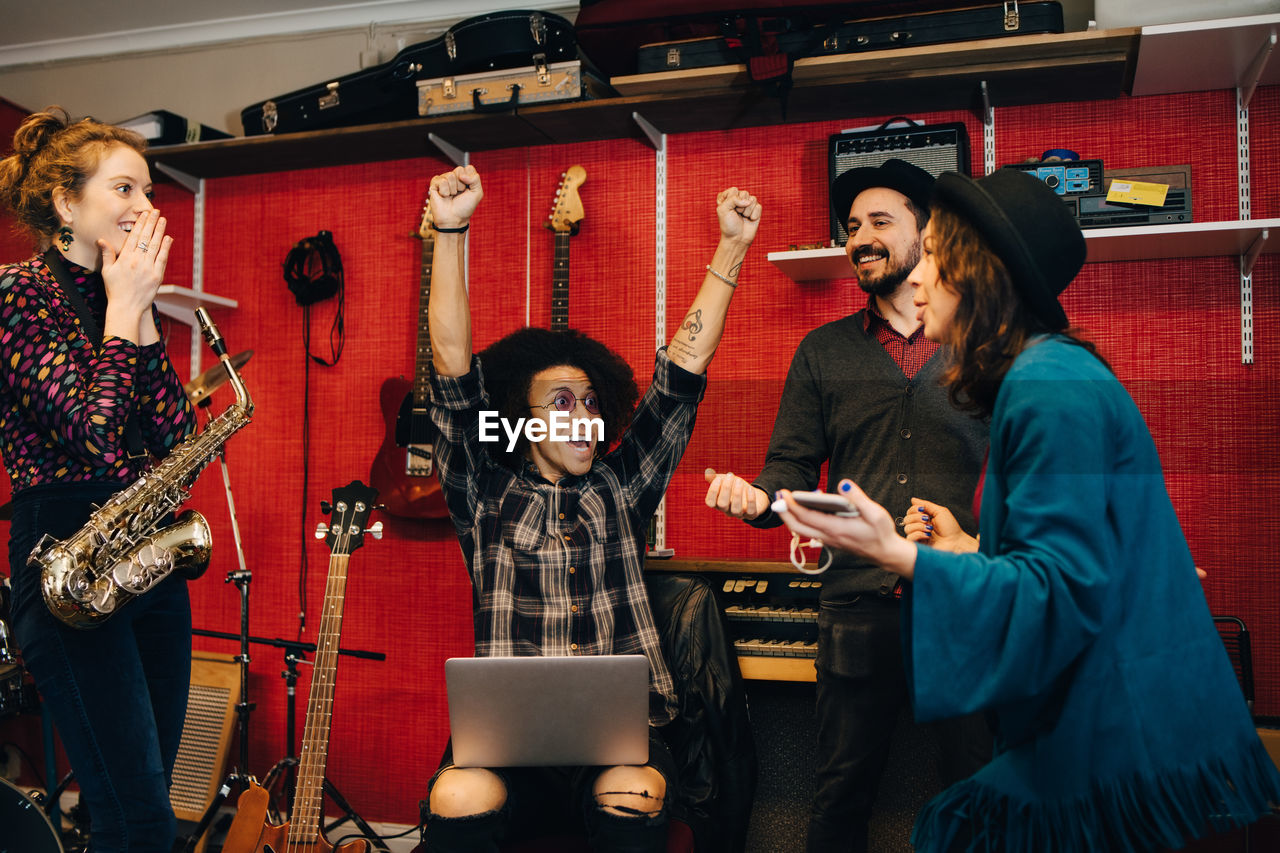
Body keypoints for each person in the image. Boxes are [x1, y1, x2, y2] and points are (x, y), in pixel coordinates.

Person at [773, 167, 1280, 851]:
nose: (916, 280)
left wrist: (901, 553)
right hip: (1116, 717)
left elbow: (1059, 587)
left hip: (1124, 732)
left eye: (936, 261)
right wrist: (967, 550)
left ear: (978, 276)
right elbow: (1062, 559)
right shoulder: (1044, 373)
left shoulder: (1046, 386)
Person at [423, 164, 760, 852]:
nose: (582, 417)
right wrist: (450, 231)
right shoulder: (483, 489)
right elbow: (452, 371)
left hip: (624, 739)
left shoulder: (623, 483)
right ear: (520, 418)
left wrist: (731, 247)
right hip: (511, 745)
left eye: (590, 402)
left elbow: (682, 376)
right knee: (457, 795)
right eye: (559, 403)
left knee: (631, 793)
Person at [703, 158, 990, 853]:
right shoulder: (821, 351)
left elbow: (1028, 474)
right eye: (852, 226)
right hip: (857, 606)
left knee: (980, 787)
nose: (859, 236)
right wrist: (757, 500)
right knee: (839, 795)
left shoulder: (980, 347)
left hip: (964, 601)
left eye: (880, 222)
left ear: (927, 232)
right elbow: (789, 471)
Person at [0, 107, 197, 851]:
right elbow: (95, 436)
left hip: (147, 560)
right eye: (124, 190)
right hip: (66, 561)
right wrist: (126, 308)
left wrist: (139, 317)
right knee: (138, 819)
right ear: (64, 204)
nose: (146, 210)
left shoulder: (124, 298)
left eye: (148, 192)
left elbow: (173, 438)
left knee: (142, 803)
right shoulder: (17, 292)